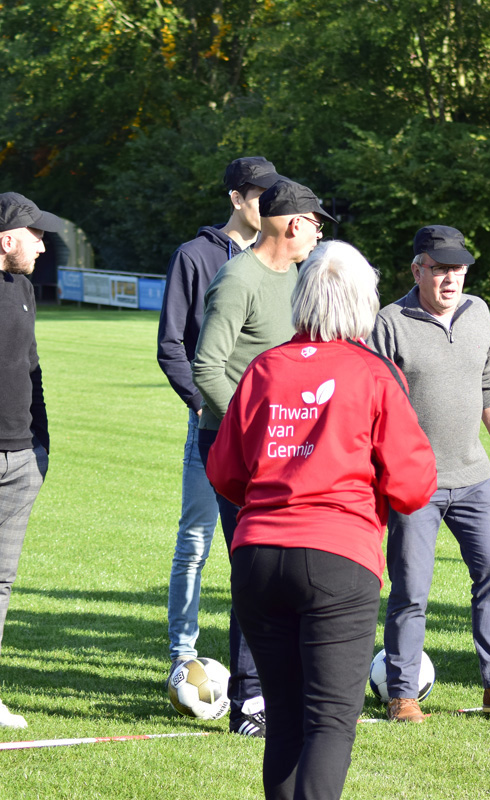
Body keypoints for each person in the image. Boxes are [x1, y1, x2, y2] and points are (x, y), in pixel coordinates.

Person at [207, 241, 437, 800]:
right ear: (364, 301)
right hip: (338, 556)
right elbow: (412, 486)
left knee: (284, 719)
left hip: (257, 556)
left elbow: (225, 472)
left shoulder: (264, 367)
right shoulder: (374, 373)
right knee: (330, 722)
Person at [370, 225, 490, 723]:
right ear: (417, 270)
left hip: (473, 476)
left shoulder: (478, 314)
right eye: (441, 269)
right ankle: (401, 694)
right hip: (414, 483)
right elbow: (375, 403)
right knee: (411, 590)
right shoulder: (389, 322)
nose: (451, 279)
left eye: (459, 269)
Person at [192, 178, 334, 737]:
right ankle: (249, 701)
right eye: (316, 223)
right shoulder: (238, 278)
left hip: (290, 447)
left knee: (290, 569)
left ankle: (283, 690)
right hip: (241, 448)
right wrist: (253, 434)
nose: (318, 234)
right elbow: (207, 368)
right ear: (294, 223)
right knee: (255, 572)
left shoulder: (299, 278)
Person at [156, 156, 282, 675]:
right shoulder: (195, 256)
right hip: (211, 425)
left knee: (255, 546)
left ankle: (255, 659)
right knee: (195, 541)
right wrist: (203, 404)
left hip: (273, 428)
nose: (267, 205)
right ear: (235, 198)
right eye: (258, 195)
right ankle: (183, 654)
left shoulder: (282, 259)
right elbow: (171, 345)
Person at [0, 192, 60, 729]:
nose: (42, 246)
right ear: (6, 239)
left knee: (1, 580)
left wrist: (40, 447)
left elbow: (32, 368)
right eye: (35, 236)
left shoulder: (22, 288)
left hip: (21, 460)